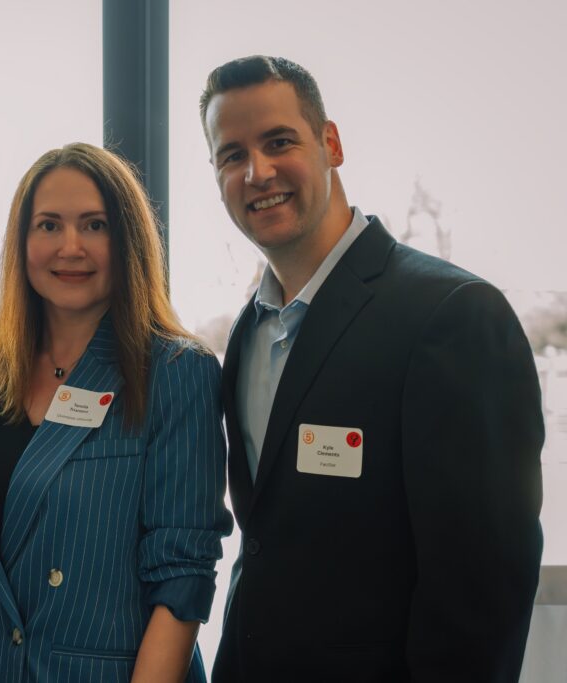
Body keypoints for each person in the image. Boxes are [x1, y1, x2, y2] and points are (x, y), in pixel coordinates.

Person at [200, 55, 545, 682]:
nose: (258, 172)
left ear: (331, 143)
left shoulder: (453, 315)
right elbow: (264, 546)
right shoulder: (247, 332)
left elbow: (481, 594)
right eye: (232, 155)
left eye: (279, 142)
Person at [0, 142, 232, 682]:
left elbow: (182, 576)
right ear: (21, 242)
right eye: (49, 225)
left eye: (95, 225)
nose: (71, 247)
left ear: (128, 241)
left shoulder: (176, 371)